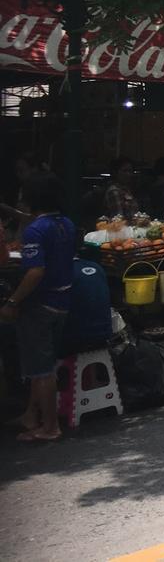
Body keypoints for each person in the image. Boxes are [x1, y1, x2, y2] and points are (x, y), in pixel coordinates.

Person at [2, 173, 73, 442]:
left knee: (41, 369)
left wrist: (12, 302)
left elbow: (35, 272)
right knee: (42, 364)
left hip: (40, 306)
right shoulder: (64, 223)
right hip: (62, 303)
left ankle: (50, 427)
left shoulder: (35, 231)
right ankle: (31, 415)